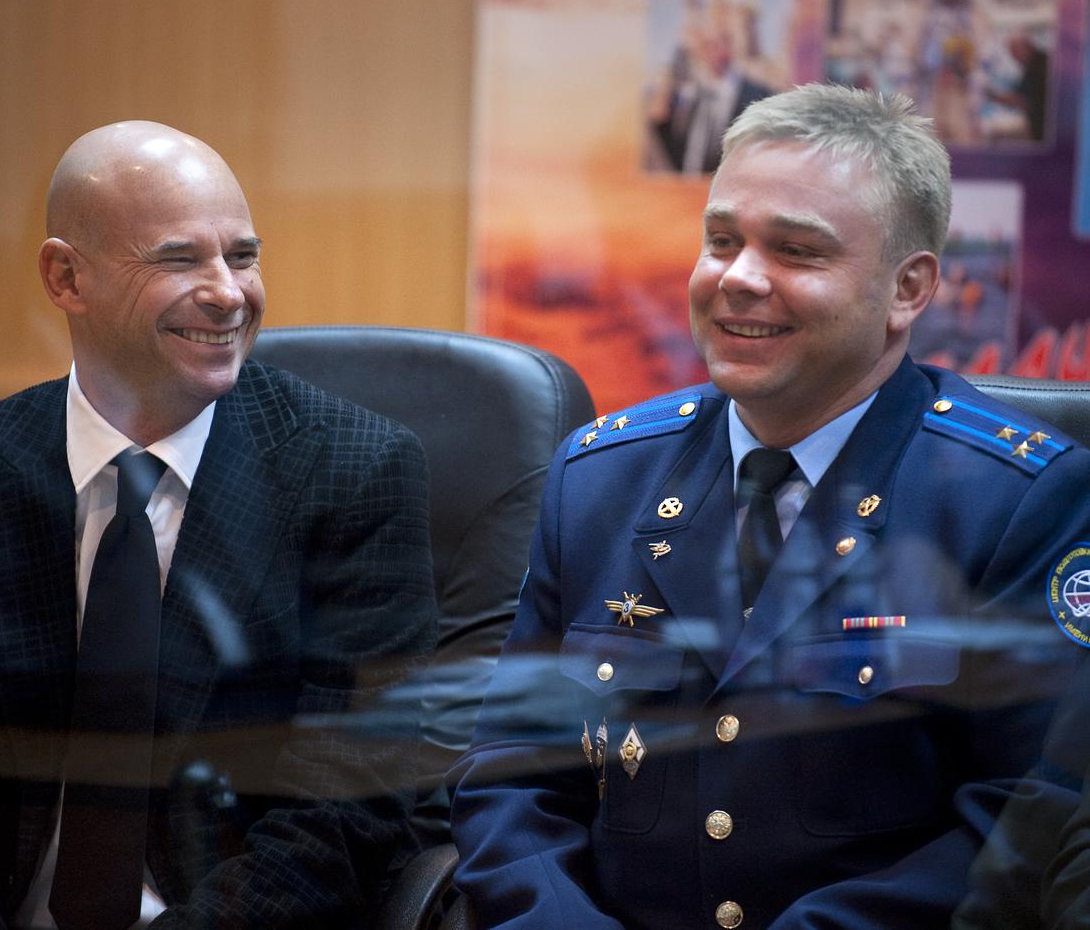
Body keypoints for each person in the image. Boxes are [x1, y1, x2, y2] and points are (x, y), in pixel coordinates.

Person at [450, 84, 1090, 928]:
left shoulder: (1016, 500)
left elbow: (1020, 820)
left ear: (909, 290)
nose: (738, 278)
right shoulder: (601, 476)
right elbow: (511, 775)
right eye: (721, 241)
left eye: (796, 251)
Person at [0, 121, 436, 929]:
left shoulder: (354, 471)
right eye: (180, 259)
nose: (230, 292)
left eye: (244, 255)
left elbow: (347, 813)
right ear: (65, 277)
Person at [652, 26, 772, 175]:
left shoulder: (758, 95)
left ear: (730, 46)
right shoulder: (695, 96)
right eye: (705, 45)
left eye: (715, 44)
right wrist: (662, 125)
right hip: (689, 192)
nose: (709, 51)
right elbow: (685, 158)